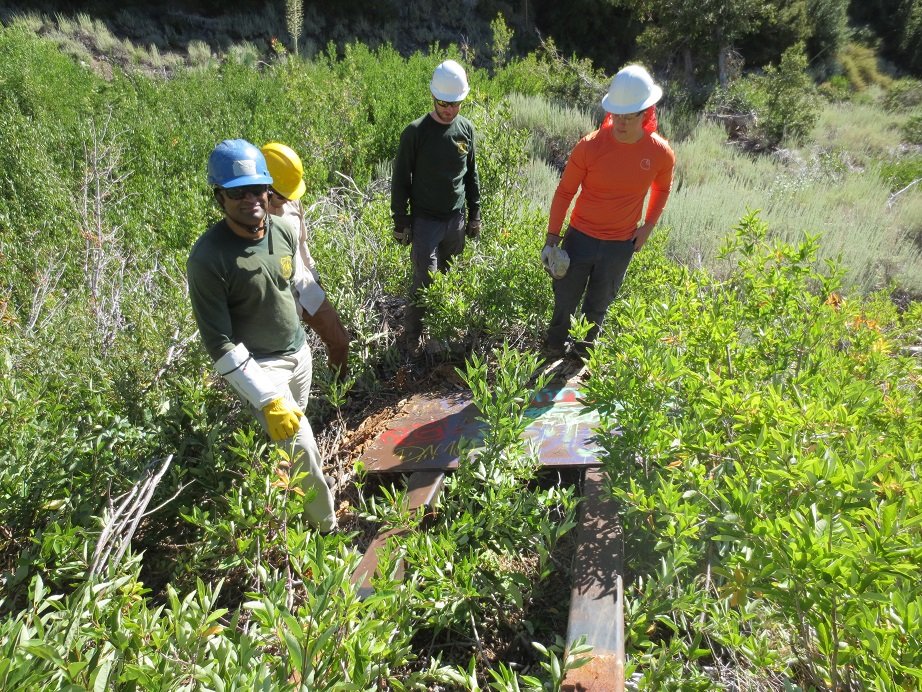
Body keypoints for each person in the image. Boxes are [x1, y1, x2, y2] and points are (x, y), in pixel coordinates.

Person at [186, 139, 337, 533]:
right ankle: (326, 531)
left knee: (290, 444)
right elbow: (219, 342)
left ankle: (286, 494)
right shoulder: (208, 258)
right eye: (238, 192)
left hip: (299, 355)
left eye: (257, 189)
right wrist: (268, 399)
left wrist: (324, 330)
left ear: (269, 190)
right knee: (302, 446)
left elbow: (295, 286)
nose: (250, 199)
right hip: (263, 366)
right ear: (219, 197)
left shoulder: (283, 230)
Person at [543, 64, 675, 358]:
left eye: (630, 116)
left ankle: (581, 358)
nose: (622, 123)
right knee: (565, 300)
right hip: (579, 238)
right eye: (617, 115)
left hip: (619, 245)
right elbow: (565, 192)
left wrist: (648, 226)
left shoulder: (660, 153)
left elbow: (662, 189)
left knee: (598, 306)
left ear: (646, 113)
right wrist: (552, 238)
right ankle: (552, 349)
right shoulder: (589, 146)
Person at [391, 59, 481, 347]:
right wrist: (400, 220)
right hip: (425, 222)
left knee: (448, 278)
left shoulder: (466, 129)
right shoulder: (415, 132)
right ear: (433, 96)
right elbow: (400, 178)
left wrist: (475, 214)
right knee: (424, 281)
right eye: (443, 102)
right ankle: (413, 338)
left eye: (455, 103)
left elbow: (471, 174)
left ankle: (442, 336)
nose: (449, 109)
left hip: (455, 220)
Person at [261, 141, 351, 378]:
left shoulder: (292, 201)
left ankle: (338, 388)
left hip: (305, 286)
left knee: (340, 341)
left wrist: (315, 276)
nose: (287, 199)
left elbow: (302, 244)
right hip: (278, 300)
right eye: (282, 195)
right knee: (289, 361)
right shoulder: (251, 217)